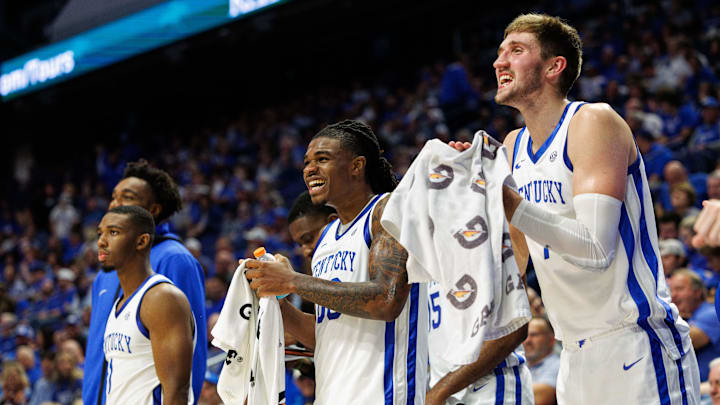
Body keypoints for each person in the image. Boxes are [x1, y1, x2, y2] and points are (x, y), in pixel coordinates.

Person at [451, 13, 699, 403]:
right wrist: (465, 198)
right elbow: (515, 260)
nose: (499, 62)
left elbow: (597, 249)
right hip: (571, 352)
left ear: (554, 66)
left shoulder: (592, 121)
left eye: (515, 51)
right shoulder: (513, 146)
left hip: (633, 340)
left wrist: (506, 200)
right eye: (500, 53)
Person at [244, 120, 428, 404]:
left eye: (323, 159)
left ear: (357, 166)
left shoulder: (388, 210)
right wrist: (277, 299)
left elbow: (386, 300)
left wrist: (292, 281)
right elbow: (324, 335)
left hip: (383, 394)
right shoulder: (327, 237)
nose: (309, 169)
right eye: (307, 162)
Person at [83, 160, 207, 405]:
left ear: (153, 210)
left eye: (126, 197)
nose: (115, 204)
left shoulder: (176, 259)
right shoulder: (106, 271)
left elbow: (192, 356)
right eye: (113, 197)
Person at [98, 206, 195, 404]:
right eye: (100, 233)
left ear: (141, 241)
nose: (101, 241)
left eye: (113, 232)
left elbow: (177, 389)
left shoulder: (162, 298)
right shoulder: (120, 303)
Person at [669, 270, 720, 381]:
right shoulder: (688, 317)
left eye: (679, 289)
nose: (673, 295)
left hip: (710, 389)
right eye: (670, 290)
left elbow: (681, 341)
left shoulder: (711, 313)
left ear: (697, 292)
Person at [523, 316, 560, 405]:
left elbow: (540, 398)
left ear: (551, 340)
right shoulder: (522, 366)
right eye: (525, 336)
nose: (527, 340)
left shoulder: (559, 365)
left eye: (534, 335)